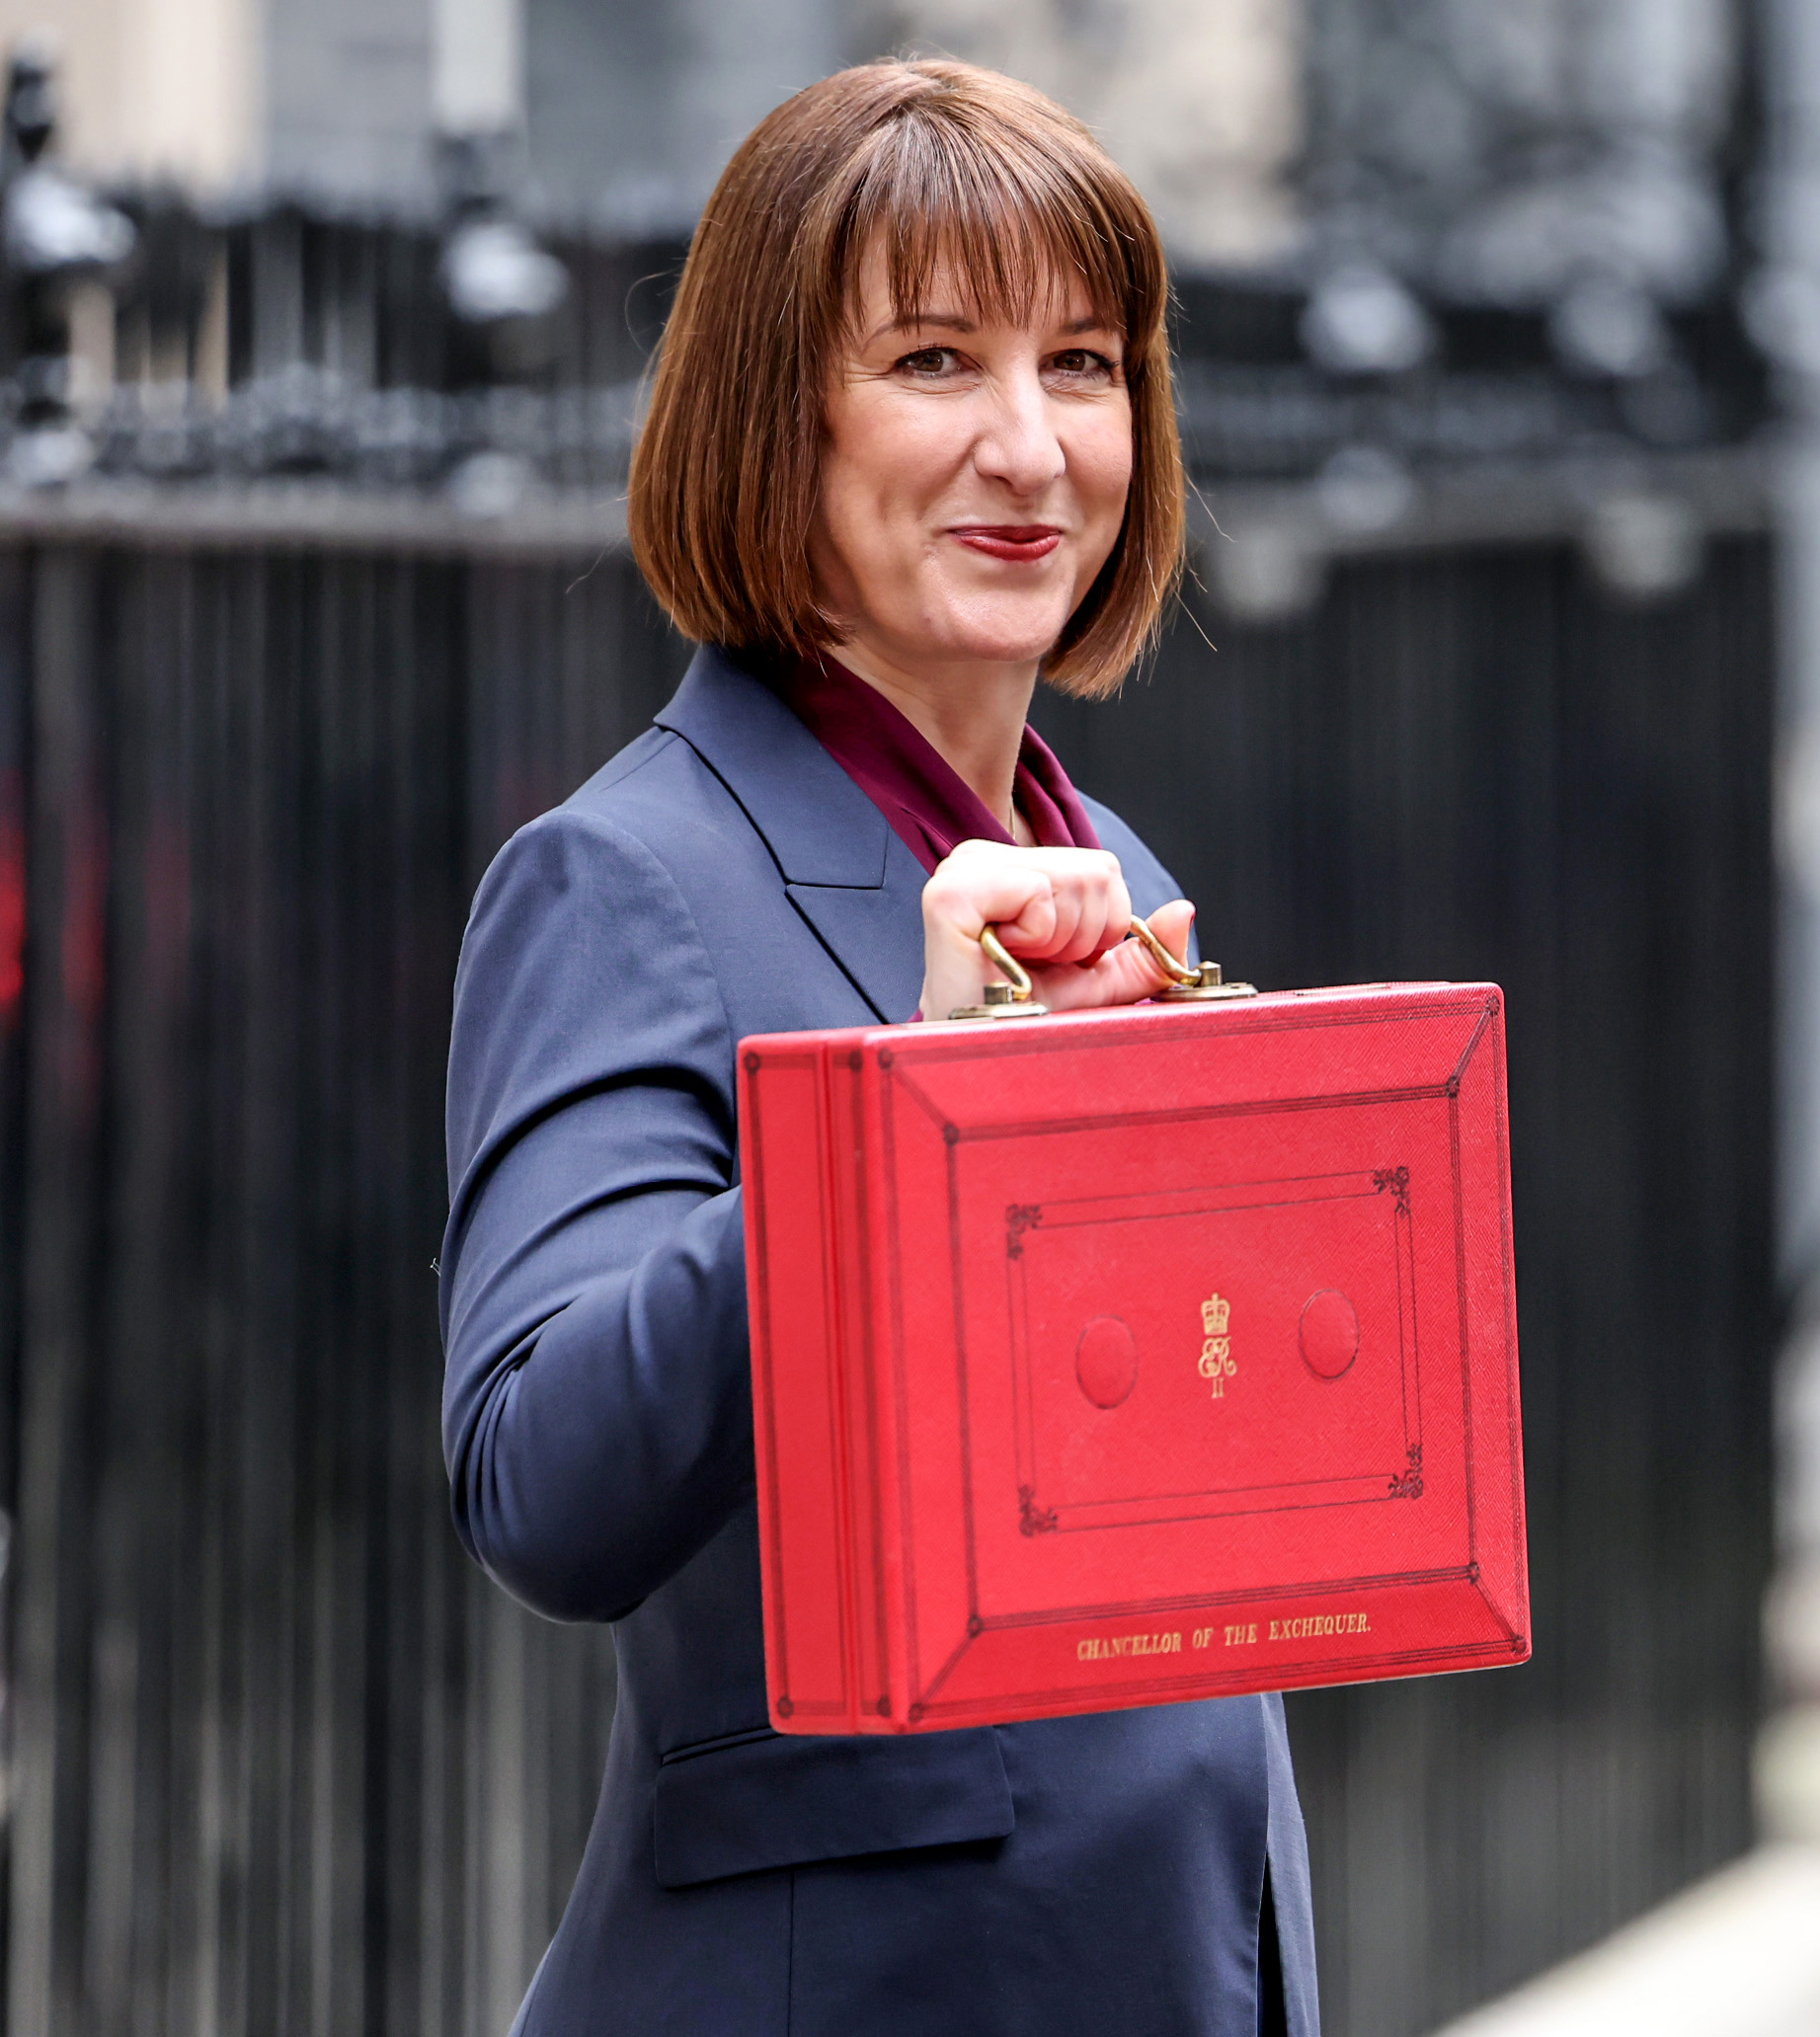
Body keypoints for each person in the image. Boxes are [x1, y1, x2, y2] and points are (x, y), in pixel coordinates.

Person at [437, 56, 1318, 2037]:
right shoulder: (623, 880)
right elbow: (541, 1484)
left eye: (1080, 365)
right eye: (934, 362)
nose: (1030, 447)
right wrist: (906, 1119)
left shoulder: (1117, 870)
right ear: (780, 421)